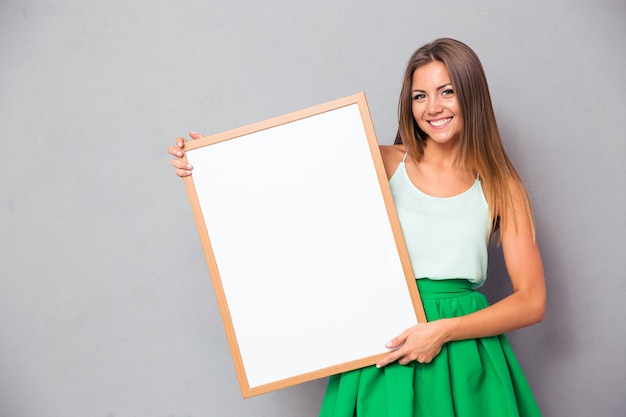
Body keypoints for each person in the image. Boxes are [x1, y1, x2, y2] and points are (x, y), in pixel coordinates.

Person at [168, 37, 546, 417]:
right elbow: (284, 181)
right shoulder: (380, 160)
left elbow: (531, 300)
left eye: (446, 92)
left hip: (465, 355)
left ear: (472, 95)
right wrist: (210, 160)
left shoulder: (501, 184)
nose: (433, 108)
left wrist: (443, 331)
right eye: (419, 96)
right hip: (383, 341)